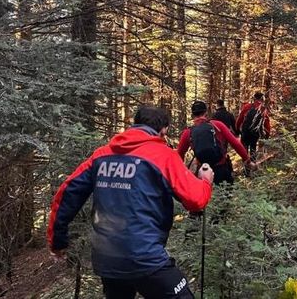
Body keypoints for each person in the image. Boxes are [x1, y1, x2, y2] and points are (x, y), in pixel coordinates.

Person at [47, 106, 214, 299]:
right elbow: (196, 200)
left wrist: (57, 242)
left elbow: (67, 194)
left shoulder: (101, 155)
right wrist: (206, 181)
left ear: (135, 125)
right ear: (163, 130)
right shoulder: (163, 155)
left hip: (107, 258)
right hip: (146, 257)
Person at [177, 100, 257, 185]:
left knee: (207, 196)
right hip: (222, 168)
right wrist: (247, 161)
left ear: (192, 115)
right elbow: (235, 143)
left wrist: (180, 172)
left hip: (203, 171)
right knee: (227, 195)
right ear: (206, 112)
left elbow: (179, 154)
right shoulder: (217, 125)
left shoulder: (188, 132)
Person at [236, 92, 271, 161]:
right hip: (255, 132)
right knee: (253, 149)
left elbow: (240, 119)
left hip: (245, 132)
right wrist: (267, 134)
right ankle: (253, 165)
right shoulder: (263, 109)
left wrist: (237, 129)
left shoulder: (247, 106)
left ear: (254, 98)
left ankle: (246, 167)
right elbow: (267, 124)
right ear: (262, 99)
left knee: (244, 150)